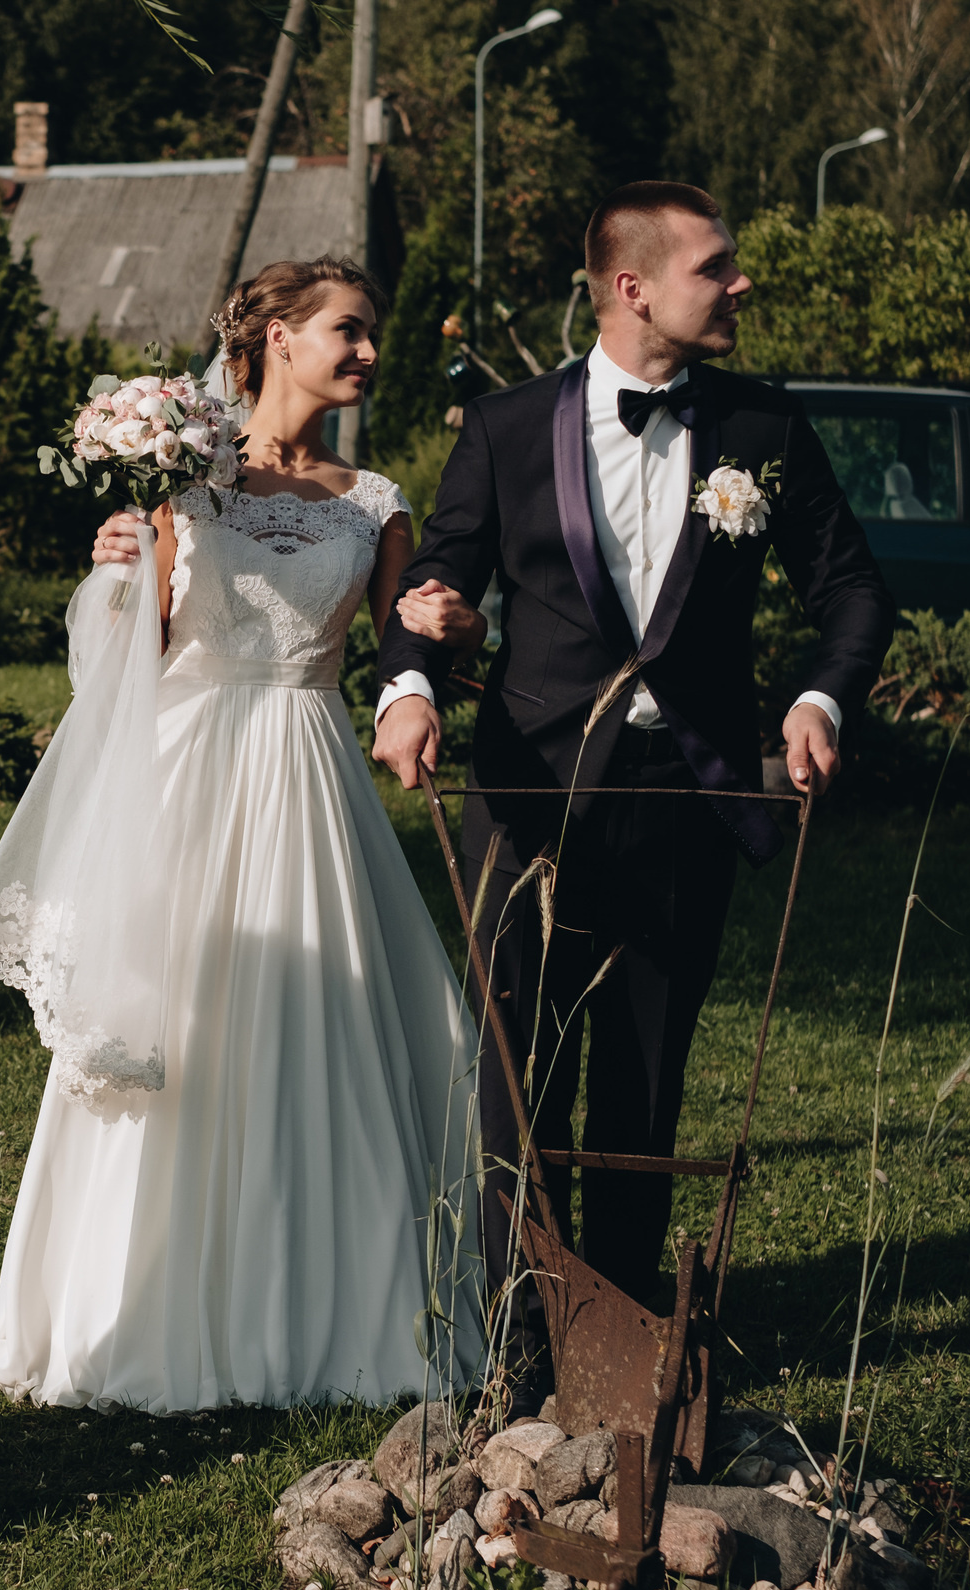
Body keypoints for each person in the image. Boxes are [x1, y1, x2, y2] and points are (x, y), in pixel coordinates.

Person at [0, 257, 492, 1414]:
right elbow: (130, 655)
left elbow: (402, 658)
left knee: (313, 1024)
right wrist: (115, 576)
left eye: (371, 331)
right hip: (183, 776)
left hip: (303, 774)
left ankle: (319, 1306)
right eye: (349, 328)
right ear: (275, 337)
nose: (369, 350)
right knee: (174, 1029)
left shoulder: (375, 502)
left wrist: (446, 626)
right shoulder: (187, 479)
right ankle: (135, 1298)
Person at [370, 182, 896, 1389]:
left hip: (686, 791)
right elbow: (436, 578)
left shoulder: (764, 427)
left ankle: (622, 1340)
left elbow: (853, 593)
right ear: (631, 287)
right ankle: (513, 1336)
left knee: (645, 1076)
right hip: (528, 795)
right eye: (718, 266)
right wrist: (409, 681)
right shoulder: (504, 426)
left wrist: (816, 700)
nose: (740, 284)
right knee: (519, 1079)